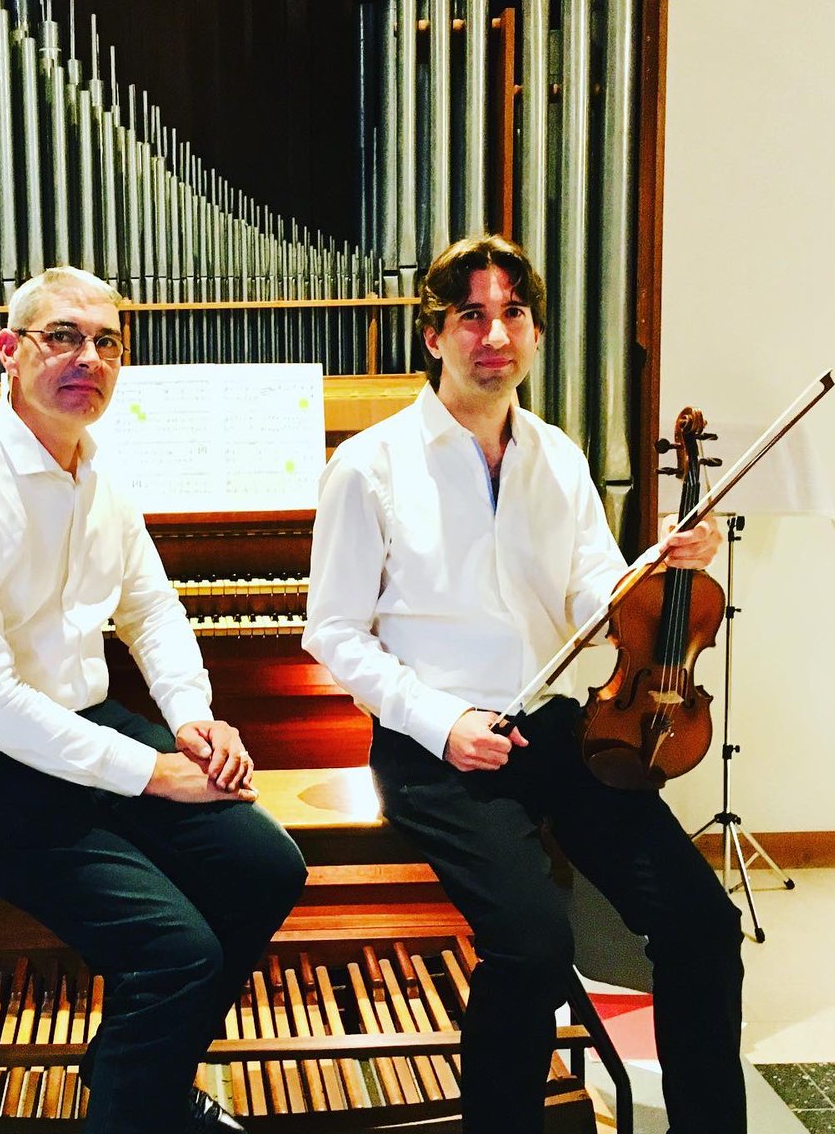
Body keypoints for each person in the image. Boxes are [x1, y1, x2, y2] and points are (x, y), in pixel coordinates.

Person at [302, 235, 745, 1134]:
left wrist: (658, 571)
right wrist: (441, 720)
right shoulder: (370, 465)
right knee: (535, 945)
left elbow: (592, 594)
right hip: (436, 752)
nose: (492, 334)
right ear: (435, 335)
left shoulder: (558, 457)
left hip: (557, 732)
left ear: (537, 338)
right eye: (471, 314)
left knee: (704, 928)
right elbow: (334, 631)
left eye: (512, 315)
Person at [0, 266, 307, 1134]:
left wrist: (191, 718)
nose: (89, 357)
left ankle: (138, 1080)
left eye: (106, 342)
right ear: (9, 352)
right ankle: (136, 1105)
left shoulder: (99, 471)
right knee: (175, 950)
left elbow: (149, 607)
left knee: (268, 866)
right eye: (63, 336)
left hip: (74, 727)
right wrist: (150, 772)